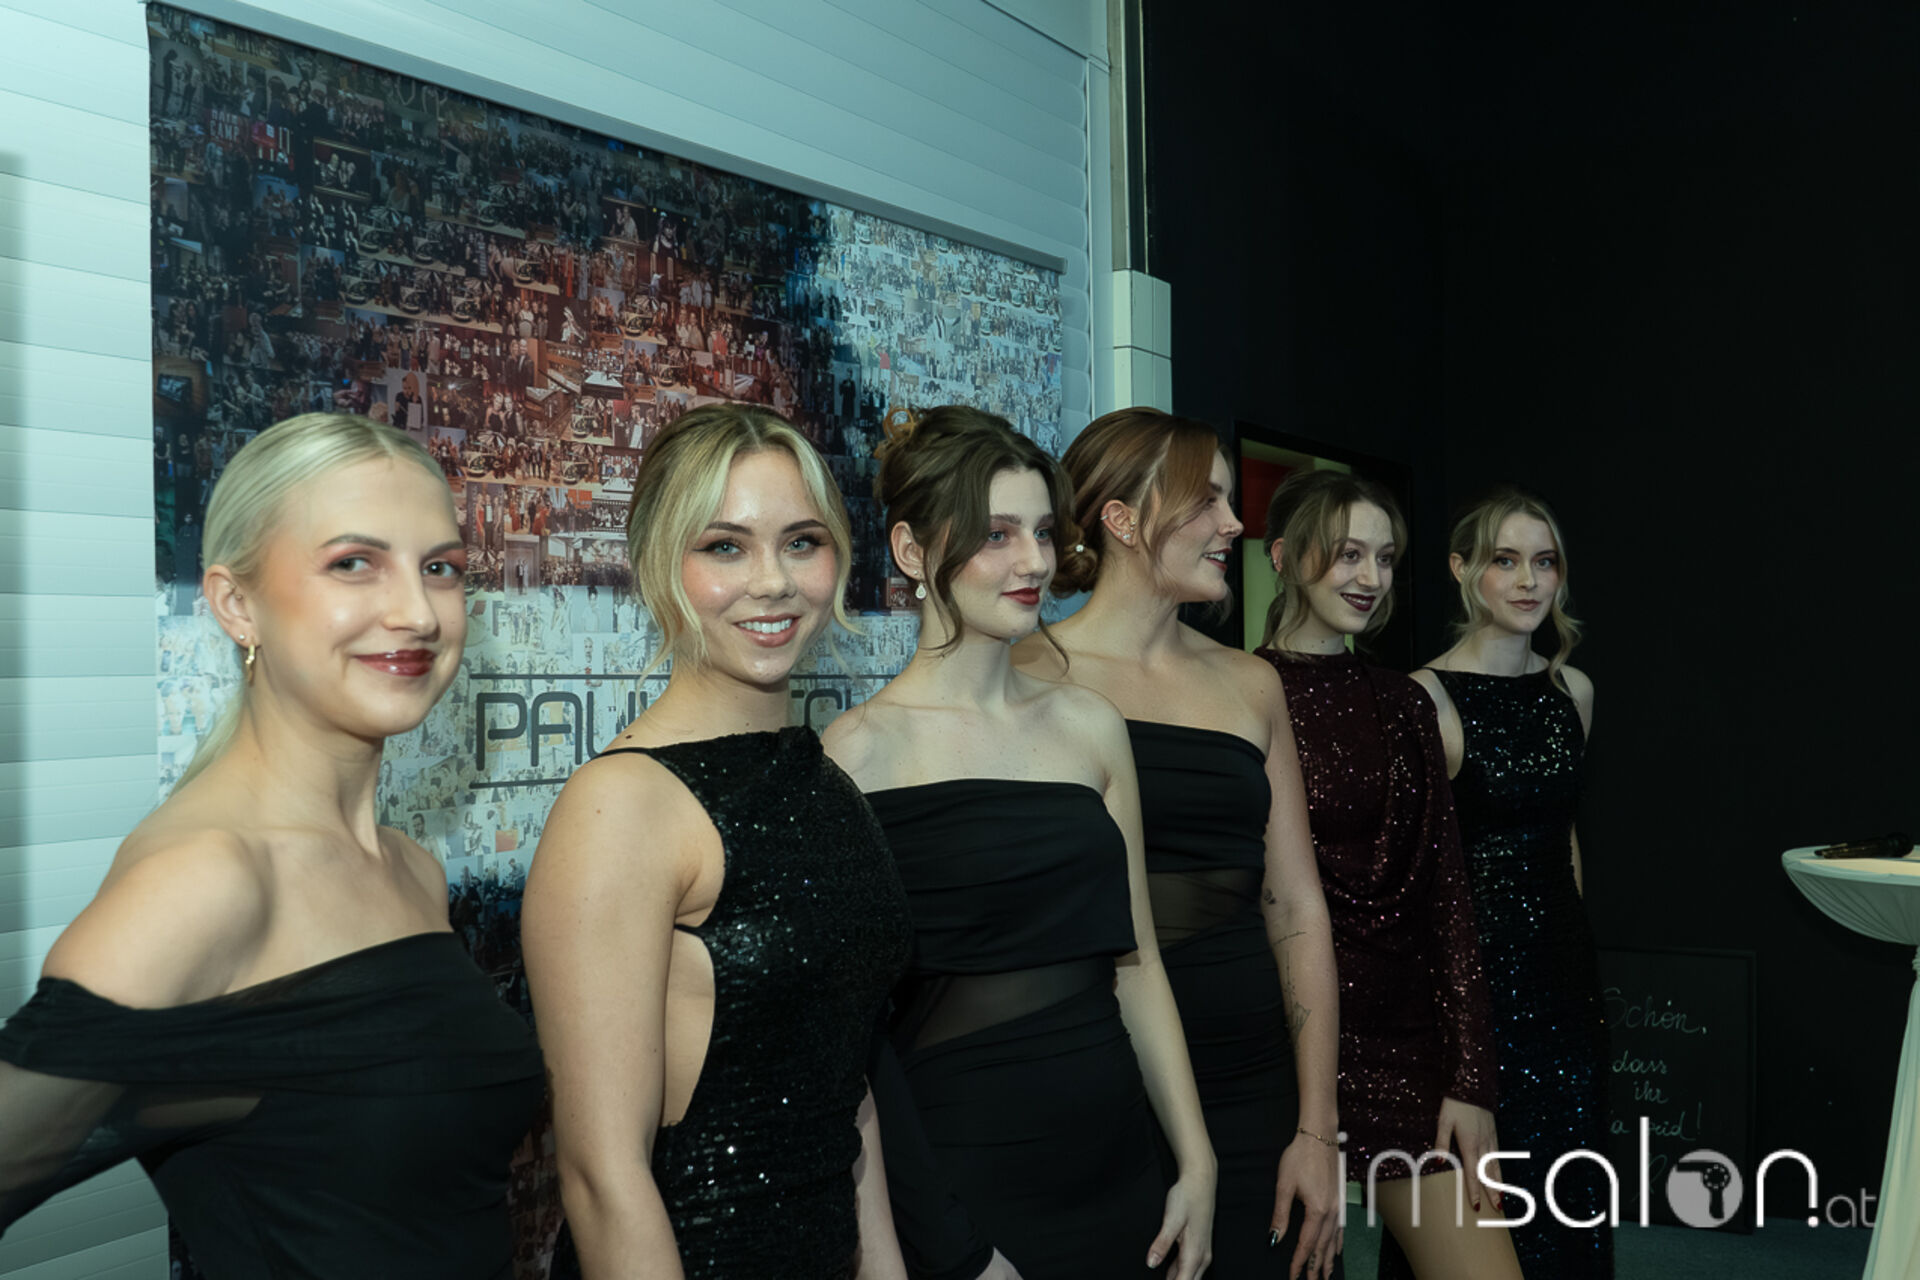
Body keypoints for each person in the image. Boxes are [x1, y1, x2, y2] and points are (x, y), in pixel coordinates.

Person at [0, 413, 542, 1277]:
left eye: (440, 568)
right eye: (353, 563)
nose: (416, 612)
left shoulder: (409, 868)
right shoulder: (208, 881)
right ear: (235, 604)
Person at [523, 403, 913, 1280]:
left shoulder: (825, 782)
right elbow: (602, 1179)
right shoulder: (621, 806)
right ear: (659, 563)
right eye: (724, 547)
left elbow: (845, 1086)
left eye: (802, 542)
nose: (772, 582)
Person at [827, 406, 1216, 1280]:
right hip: (969, 1183)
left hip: (1123, 1168)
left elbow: (1139, 964)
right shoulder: (856, 755)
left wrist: (1196, 1161)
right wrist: (947, 1246)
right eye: (997, 535)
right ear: (911, 550)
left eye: (1042, 532)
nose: (1036, 562)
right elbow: (854, 1047)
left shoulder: (1091, 726)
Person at [1013, 407, 1342, 1280]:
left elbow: (1296, 907)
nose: (1235, 524)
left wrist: (1317, 1128)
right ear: (1123, 520)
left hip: (1250, 1073)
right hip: (1093, 1070)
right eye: (1209, 501)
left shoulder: (1251, 683)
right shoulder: (1026, 674)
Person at [1255, 470, 1519, 1280]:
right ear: (1283, 557)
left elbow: (1448, 893)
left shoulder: (1405, 703)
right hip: (1278, 1044)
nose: (1370, 578)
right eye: (1347, 555)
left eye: (1385, 557)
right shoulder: (1239, 694)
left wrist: (1470, 1079)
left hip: (1403, 1047)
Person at [1408, 486, 1611, 1279]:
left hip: (1565, 985)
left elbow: (1566, 840)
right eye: (1505, 560)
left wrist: (1575, 965)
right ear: (1462, 570)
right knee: (1476, 1200)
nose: (1529, 581)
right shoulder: (1425, 698)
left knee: (1566, 1192)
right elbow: (1420, 876)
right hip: (1473, 987)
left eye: (1544, 562)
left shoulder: (1573, 693)